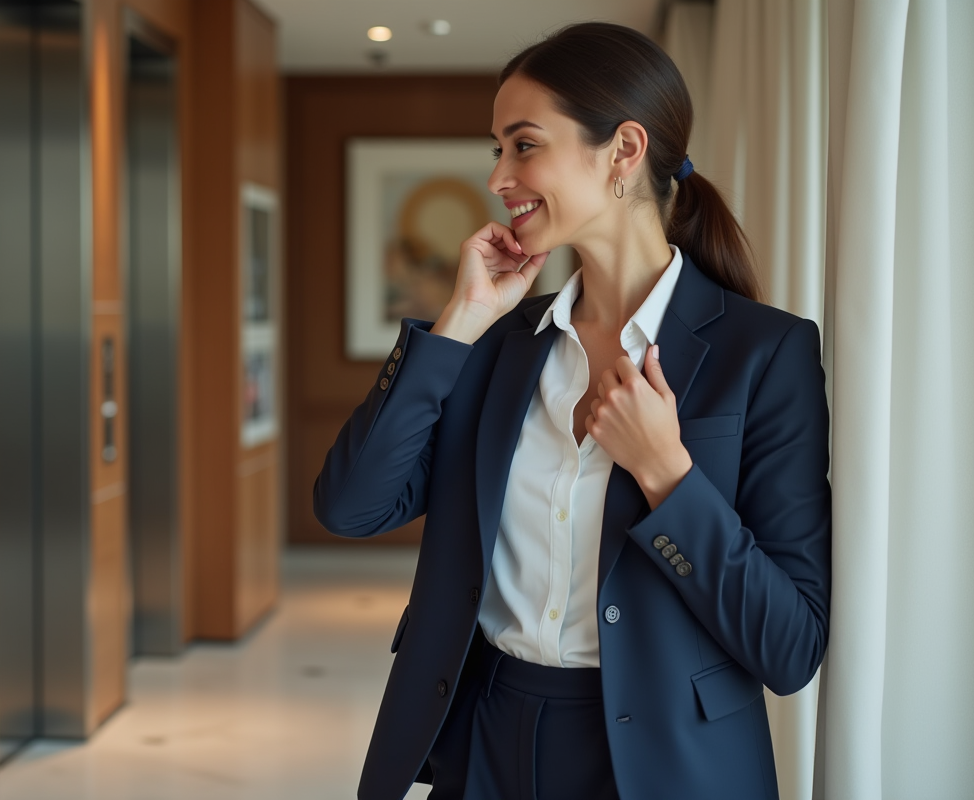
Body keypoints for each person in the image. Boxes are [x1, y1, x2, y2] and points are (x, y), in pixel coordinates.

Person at [314, 21, 831, 800]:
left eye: (523, 145)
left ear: (624, 150)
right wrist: (456, 323)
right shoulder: (494, 346)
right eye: (497, 149)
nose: (498, 177)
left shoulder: (766, 354)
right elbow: (351, 508)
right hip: (482, 740)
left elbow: (790, 648)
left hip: (662, 766)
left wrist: (667, 475)